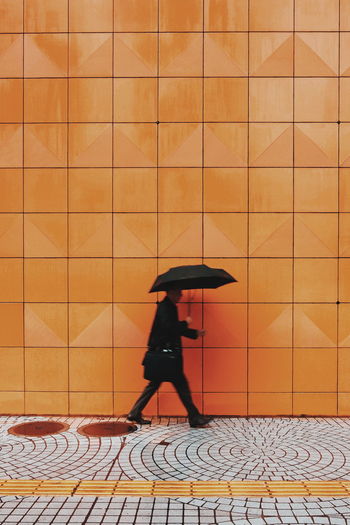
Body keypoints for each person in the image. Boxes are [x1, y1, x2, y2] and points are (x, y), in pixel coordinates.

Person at [127, 288, 213, 428]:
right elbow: (169, 328)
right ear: (171, 293)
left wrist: (194, 333)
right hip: (167, 356)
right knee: (181, 385)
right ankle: (195, 417)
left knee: (155, 384)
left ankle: (135, 412)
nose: (181, 295)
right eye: (179, 292)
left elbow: (173, 329)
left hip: (163, 356)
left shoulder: (169, 306)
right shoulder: (165, 307)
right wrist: (186, 323)